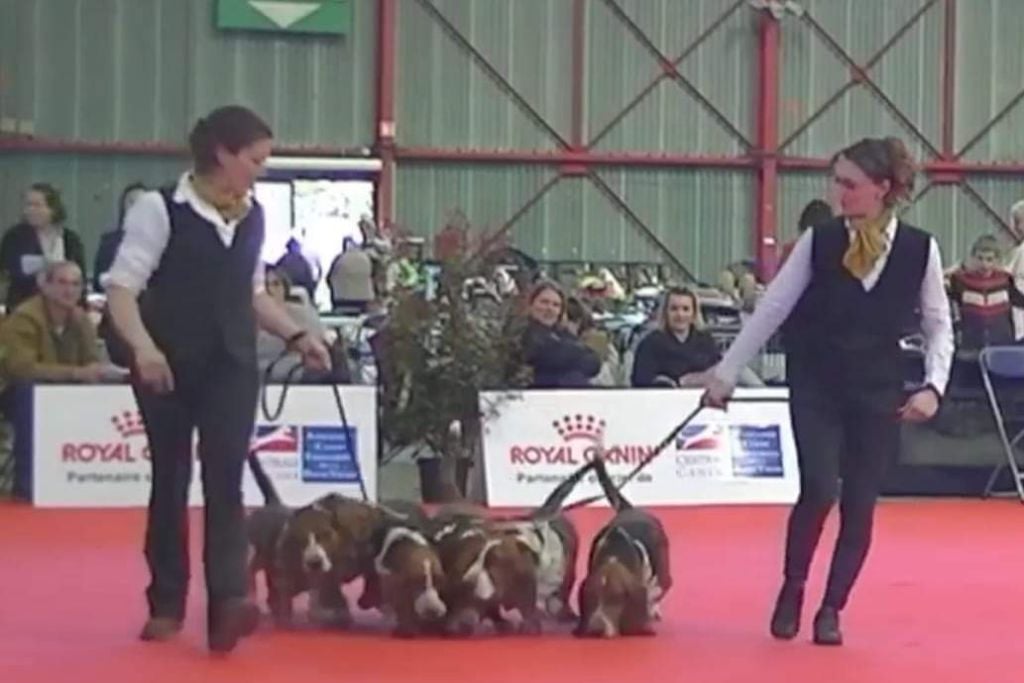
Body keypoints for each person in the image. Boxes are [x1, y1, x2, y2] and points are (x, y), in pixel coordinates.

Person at [701, 137, 954, 646]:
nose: (838, 192)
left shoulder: (920, 249)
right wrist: (726, 372)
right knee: (818, 488)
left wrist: (934, 386)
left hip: (877, 391)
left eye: (849, 183)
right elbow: (772, 308)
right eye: (837, 181)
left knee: (860, 503)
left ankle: (832, 607)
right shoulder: (818, 241)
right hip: (816, 383)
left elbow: (938, 325)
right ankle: (793, 586)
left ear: (882, 188)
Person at [104, 106, 331, 655]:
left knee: (227, 481)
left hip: (232, 366)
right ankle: (166, 601)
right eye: (255, 159)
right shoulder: (159, 209)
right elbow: (121, 291)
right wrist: (144, 349)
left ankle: (228, 603)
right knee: (170, 480)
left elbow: (252, 294)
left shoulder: (253, 216)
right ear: (223, 154)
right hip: (166, 364)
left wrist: (297, 335)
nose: (261, 170)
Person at [0, 183, 87, 311]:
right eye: (28, 205)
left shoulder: (70, 239)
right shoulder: (15, 237)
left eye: (37, 205)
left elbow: (80, 277)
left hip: (65, 309)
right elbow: (12, 272)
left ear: (53, 209)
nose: (30, 210)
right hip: (25, 308)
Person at [93, 182, 148, 292]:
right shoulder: (109, 242)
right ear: (123, 207)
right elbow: (99, 281)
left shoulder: (163, 241)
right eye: (131, 202)